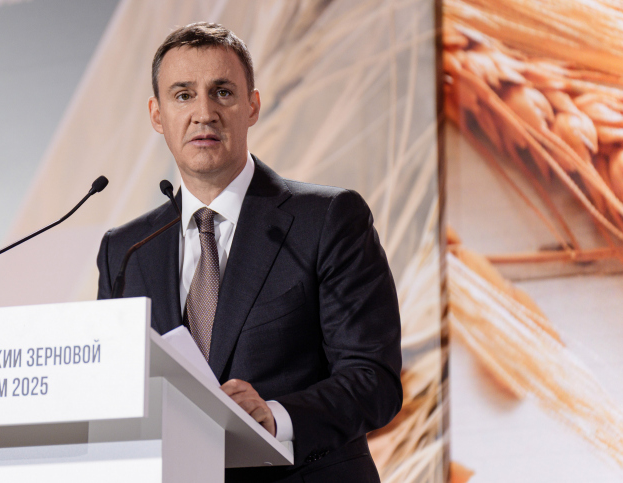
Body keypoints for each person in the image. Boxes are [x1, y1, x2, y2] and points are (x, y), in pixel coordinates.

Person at [96, 22, 402, 482]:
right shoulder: (125, 251)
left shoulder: (328, 219)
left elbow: (373, 379)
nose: (204, 113)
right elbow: (112, 391)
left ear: (252, 106)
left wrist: (274, 417)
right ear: (157, 115)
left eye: (222, 93)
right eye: (183, 95)